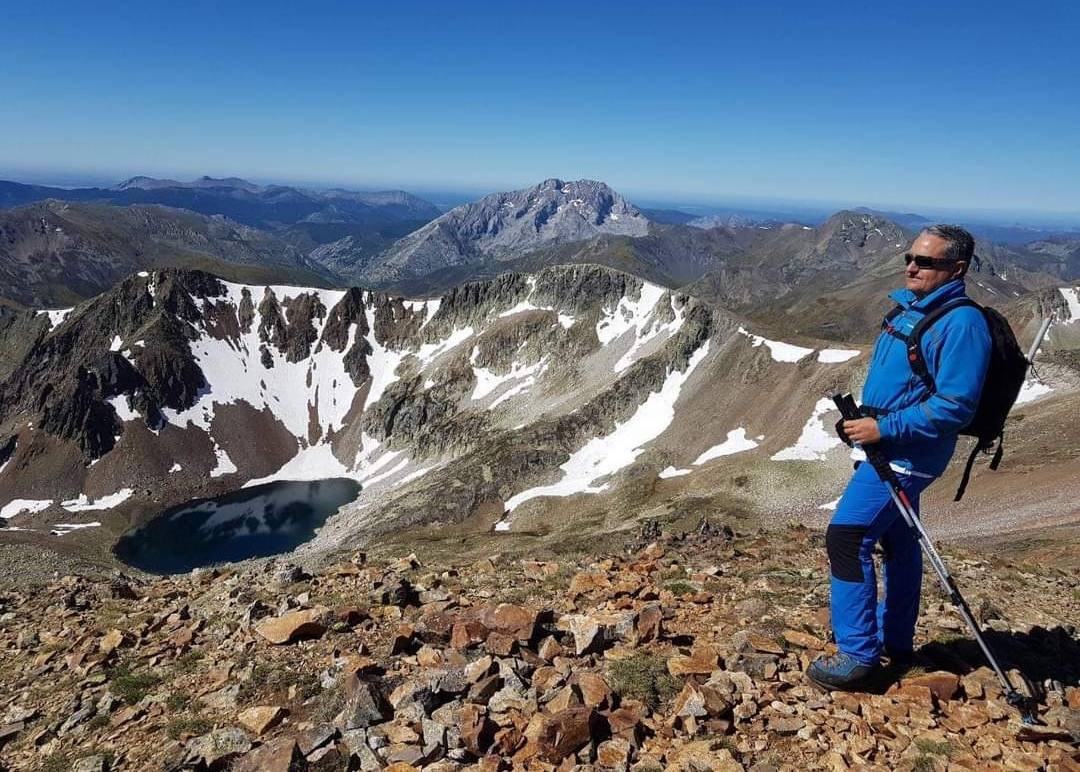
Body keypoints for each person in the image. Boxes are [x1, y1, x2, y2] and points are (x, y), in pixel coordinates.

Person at [806, 224, 992, 691]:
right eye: (911, 257)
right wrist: (864, 423)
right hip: (887, 448)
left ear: (957, 268)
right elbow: (905, 386)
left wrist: (883, 427)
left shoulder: (962, 323)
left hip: (908, 456)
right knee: (900, 543)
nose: (912, 266)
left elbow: (955, 405)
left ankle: (859, 656)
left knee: (847, 538)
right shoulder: (916, 308)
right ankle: (897, 641)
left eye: (926, 261)